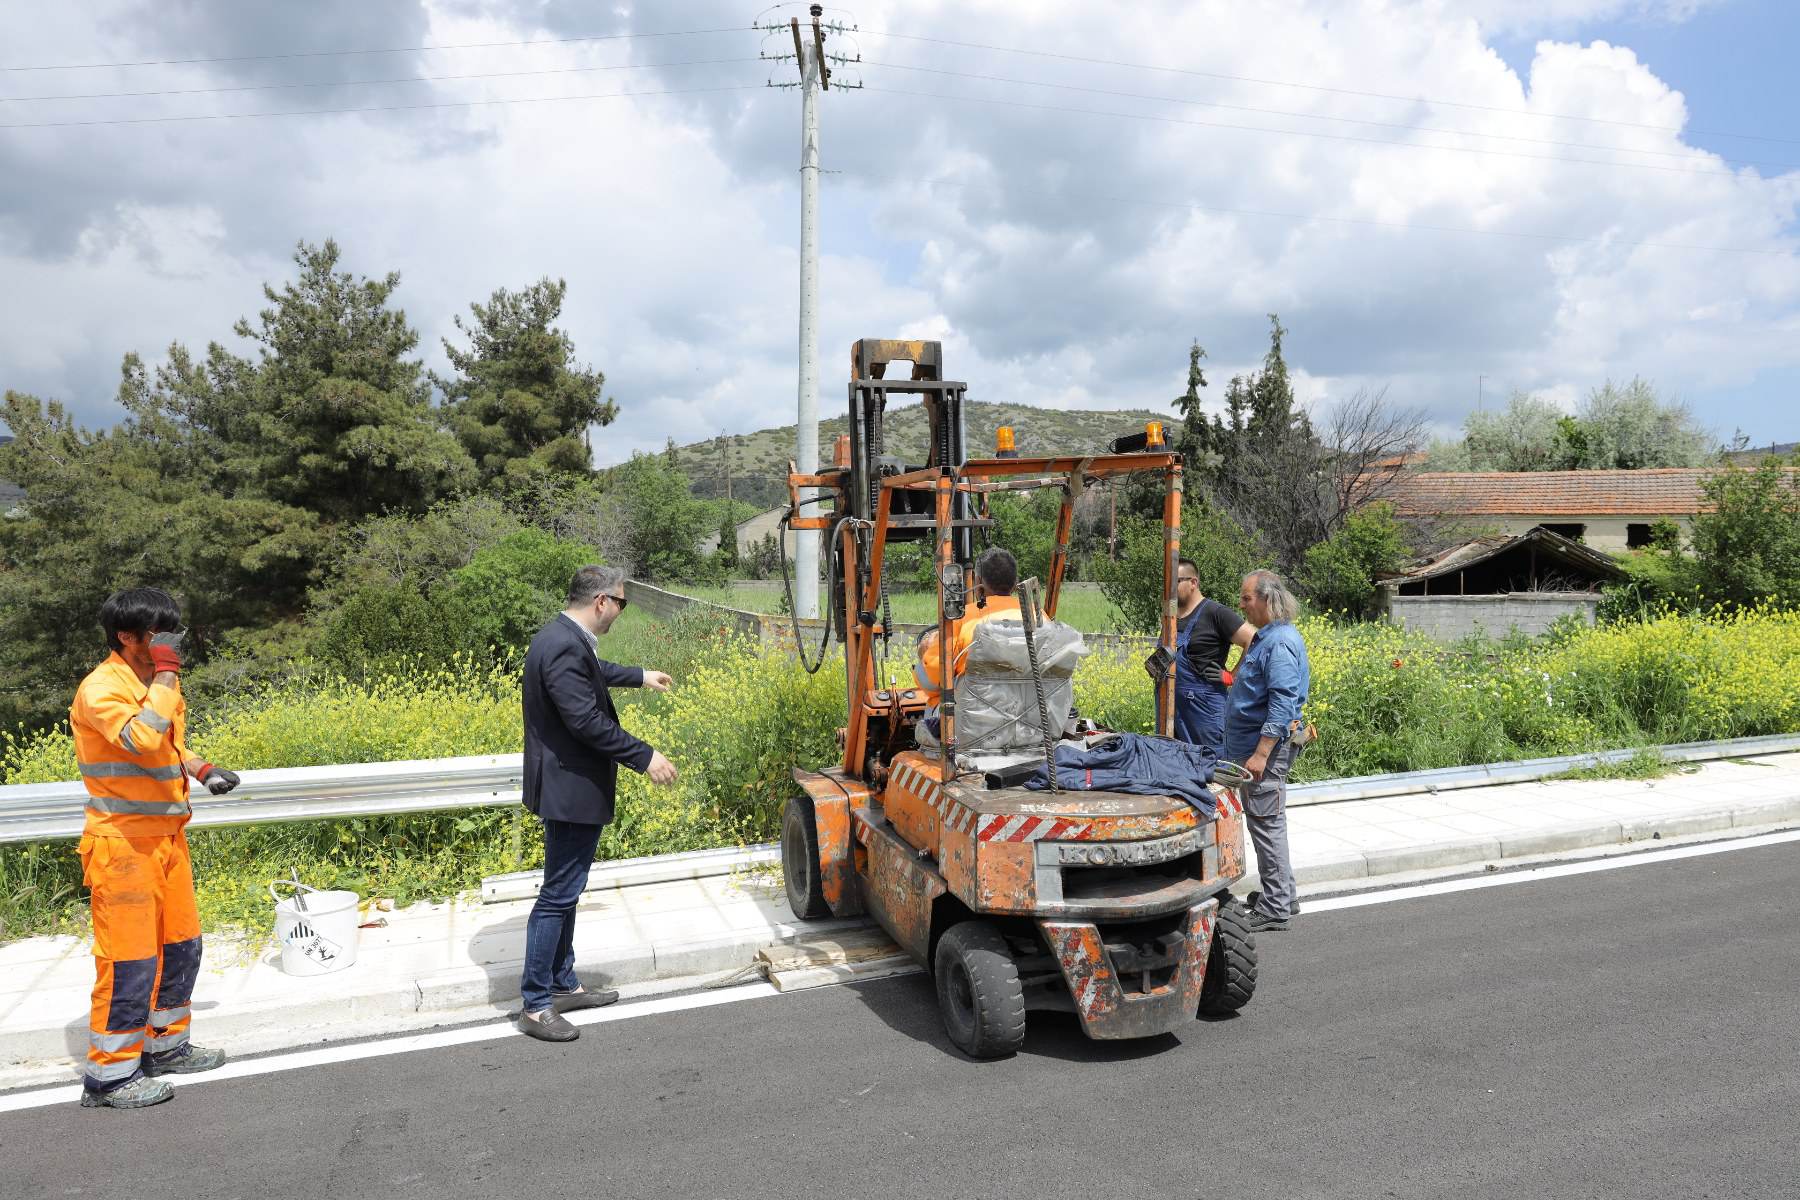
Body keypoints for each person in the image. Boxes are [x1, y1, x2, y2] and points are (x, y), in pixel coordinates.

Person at [72, 588, 240, 1109]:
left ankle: (167, 1047)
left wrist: (200, 767)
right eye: (158, 636)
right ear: (126, 637)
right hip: (121, 844)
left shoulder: (150, 682)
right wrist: (167, 676)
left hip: (167, 839)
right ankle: (110, 1078)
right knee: (130, 963)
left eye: (173, 634)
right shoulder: (101, 688)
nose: (169, 645)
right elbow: (139, 740)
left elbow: (164, 743)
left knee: (181, 949)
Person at [517, 566, 678, 1043]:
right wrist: (645, 756)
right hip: (570, 792)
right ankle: (536, 1003)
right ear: (602, 601)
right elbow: (586, 720)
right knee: (558, 896)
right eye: (622, 604)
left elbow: (593, 674)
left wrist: (640, 676)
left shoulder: (563, 637)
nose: (620, 613)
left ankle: (563, 983)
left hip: (567, 788)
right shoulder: (565, 644)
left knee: (567, 888)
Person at [1221, 569, 1311, 933]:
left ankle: (1275, 907)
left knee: (1267, 824)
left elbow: (1281, 704)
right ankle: (1282, 894)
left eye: (1246, 598)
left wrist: (1260, 754)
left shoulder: (1279, 643)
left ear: (1267, 600)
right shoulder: (1265, 637)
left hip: (1264, 754)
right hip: (1253, 749)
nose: (1241, 605)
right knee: (1267, 823)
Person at [914, 547, 1022, 739]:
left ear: (978, 582)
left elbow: (930, 684)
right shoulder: (1039, 618)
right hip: (1028, 727)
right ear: (1015, 583)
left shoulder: (964, 619)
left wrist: (925, 651)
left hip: (973, 731)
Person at [1171, 558, 1256, 757]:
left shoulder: (1215, 613)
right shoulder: (1172, 617)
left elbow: (1252, 639)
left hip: (1205, 713)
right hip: (1173, 711)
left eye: (1176, 581)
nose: (1170, 587)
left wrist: (1233, 677)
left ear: (1193, 583)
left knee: (1213, 770)